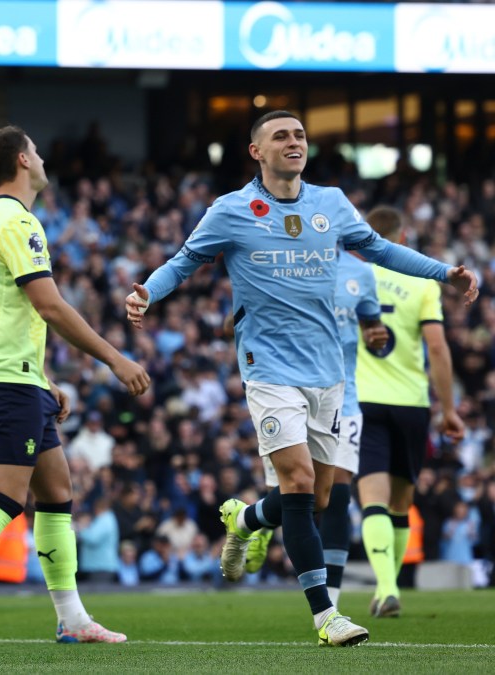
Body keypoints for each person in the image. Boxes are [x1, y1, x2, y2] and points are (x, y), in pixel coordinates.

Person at [125, 110, 478, 647]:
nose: (294, 143)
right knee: (295, 482)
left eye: (299, 135)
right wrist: (148, 291)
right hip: (267, 367)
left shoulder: (331, 203)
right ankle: (326, 616)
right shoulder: (232, 210)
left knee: (315, 499)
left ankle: (244, 520)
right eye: (281, 137)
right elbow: (184, 260)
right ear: (256, 152)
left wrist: (443, 271)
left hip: (327, 371)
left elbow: (380, 250)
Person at [0, 125, 150, 650]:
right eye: (37, 152)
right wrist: (114, 358)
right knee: (4, 496)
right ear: (23, 160)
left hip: (16, 375)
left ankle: (72, 618)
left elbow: (2, 311)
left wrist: (42, 378)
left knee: (57, 493)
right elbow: (49, 304)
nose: (43, 160)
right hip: (2, 379)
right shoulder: (16, 220)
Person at [224, 235, 388, 607]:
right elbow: (235, 319)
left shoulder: (361, 274)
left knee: (330, 497)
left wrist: (379, 338)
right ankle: (326, 608)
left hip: (341, 395)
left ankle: (249, 520)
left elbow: (375, 330)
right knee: (302, 491)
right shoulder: (282, 263)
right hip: (286, 387)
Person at [354, 206, 465, 618]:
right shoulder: (421, 283)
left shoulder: (351, 277)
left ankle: (385, 588)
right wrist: (449, 410)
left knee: (373, 503)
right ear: (401, 242)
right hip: (412, 405)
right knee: (401, 505)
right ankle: (390, 586)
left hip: (363, 402)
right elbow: (437, 347)